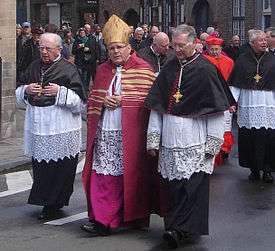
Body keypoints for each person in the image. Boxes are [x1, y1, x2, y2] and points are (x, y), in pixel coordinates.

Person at [145, 24, 234, 249]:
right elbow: (158, 107)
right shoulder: (168, 67)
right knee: (174, 188)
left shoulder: (206, 69)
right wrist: (153, 138)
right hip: (170, 138)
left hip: (196, 139)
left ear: (195, 43)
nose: (177, 50)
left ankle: (182, 230)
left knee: (193, 188)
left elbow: (215, 111)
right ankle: (173, 227)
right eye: (175, 46)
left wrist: (213, 144)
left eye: (182, 45)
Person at [81, 15, 166, 237]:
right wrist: (101, 101)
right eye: (111, 48)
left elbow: (150, 102)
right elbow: (92, 99)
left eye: (119, 47)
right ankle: (102, 219)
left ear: (129, 47)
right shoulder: (101, 70)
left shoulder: (144, 69)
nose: (115, 52)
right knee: (104, 176)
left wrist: (124, 100)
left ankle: (133, 217)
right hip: (106, 131)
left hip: (131, 135)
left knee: (132, 176)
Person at [15, 32, 86, 220]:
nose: (44, 52)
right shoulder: (34, 66)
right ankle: (45, 201)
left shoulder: (68, 69)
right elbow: (19, 91)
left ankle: (54, 204)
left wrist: (60, 92)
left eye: (48, 48)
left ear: (59, 49)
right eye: (41, 48)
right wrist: (26, 90)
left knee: (61, 168)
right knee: (41, 167)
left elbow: (80, 103)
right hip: (39, 127)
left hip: (61, 126)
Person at [229, 29, 275, 183]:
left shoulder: (272, 60)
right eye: (261, 40)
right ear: (252, 43)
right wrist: (232, 102)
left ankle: (268, 170)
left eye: (265, 40)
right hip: (248, 105)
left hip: (268, 105)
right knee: (250, 139)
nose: (264, 42)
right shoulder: (242, 60)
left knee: (268, 138)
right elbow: (235, 85)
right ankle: (254, 169)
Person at [204, 36, 235, 166]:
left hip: (226, 96)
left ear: (221, 48)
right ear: (207, 49)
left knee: (226, 126)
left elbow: (232, 83)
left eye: (217, 49)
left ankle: (223, 151)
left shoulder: (229, 62)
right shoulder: (204, 61)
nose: (215, 52)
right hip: (210, 97)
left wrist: (232, 102)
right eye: (212, 49)